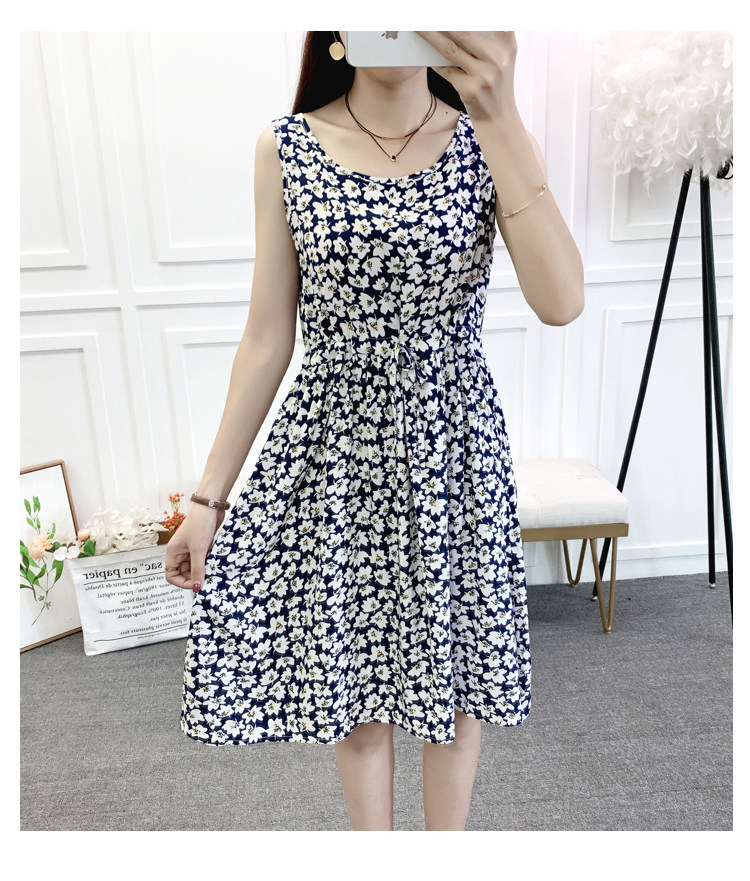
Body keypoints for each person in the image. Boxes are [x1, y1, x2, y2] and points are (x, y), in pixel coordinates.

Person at [165, 30, 584, 831]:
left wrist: (500, 116)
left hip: (453, 450)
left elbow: (561, 301)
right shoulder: (285, 148)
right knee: (354, 691)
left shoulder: (492, 137)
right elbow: (267, 336)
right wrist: (207, 499)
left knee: (456, 690)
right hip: (336, 452)